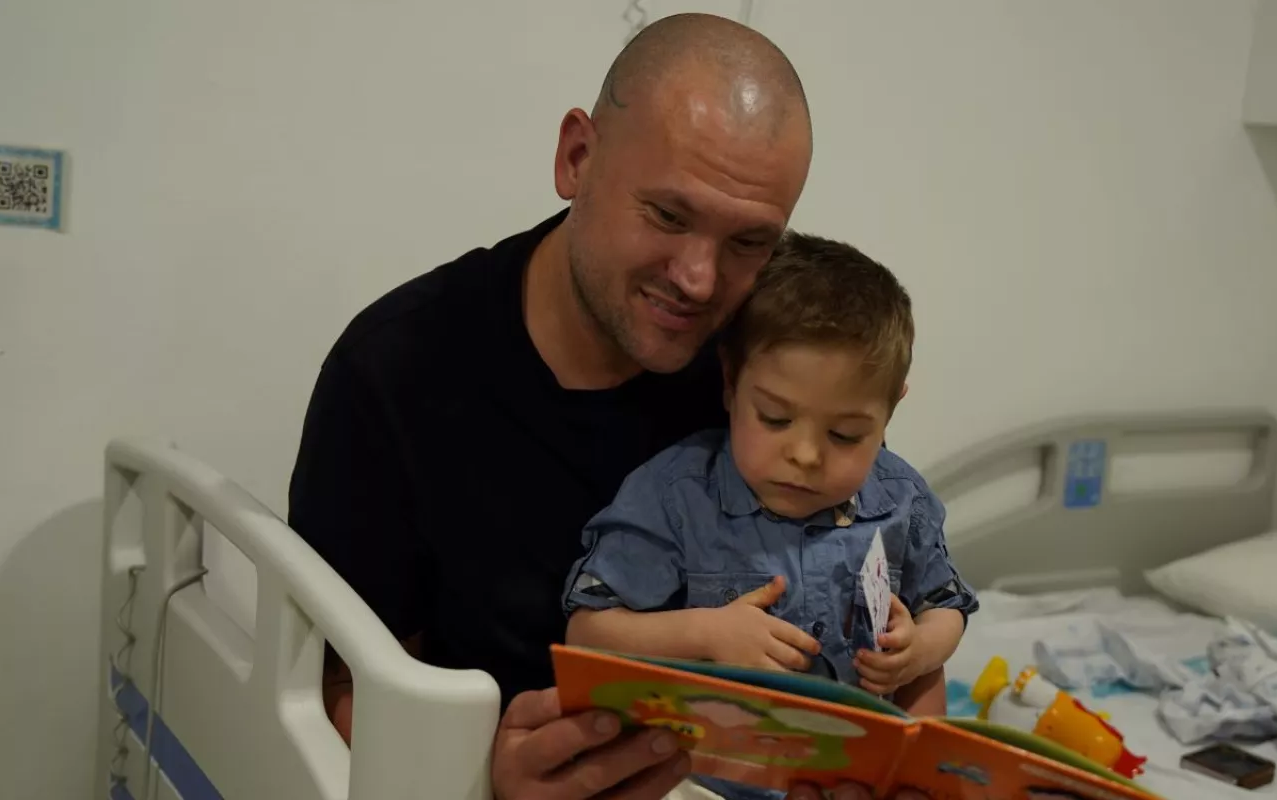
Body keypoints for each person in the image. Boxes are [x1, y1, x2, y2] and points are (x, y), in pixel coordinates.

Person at [287, 11, 920, 800]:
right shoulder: (399, 372)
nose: (698, 279)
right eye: (668, 215)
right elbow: (339, 690)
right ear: (577, 159)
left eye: (749, 243)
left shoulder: (760, 367)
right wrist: (479, 779)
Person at [562, 233, 978, 800]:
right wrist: (705, 633)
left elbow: (946, 607)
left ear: (889, 411)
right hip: (704, 782)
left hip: (854, 779)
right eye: (776, 419)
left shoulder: (902, 500)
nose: (805, 455)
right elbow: (587, 635)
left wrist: (919, 650)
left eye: (844, 434)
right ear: (731, 383)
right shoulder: (677, 497)